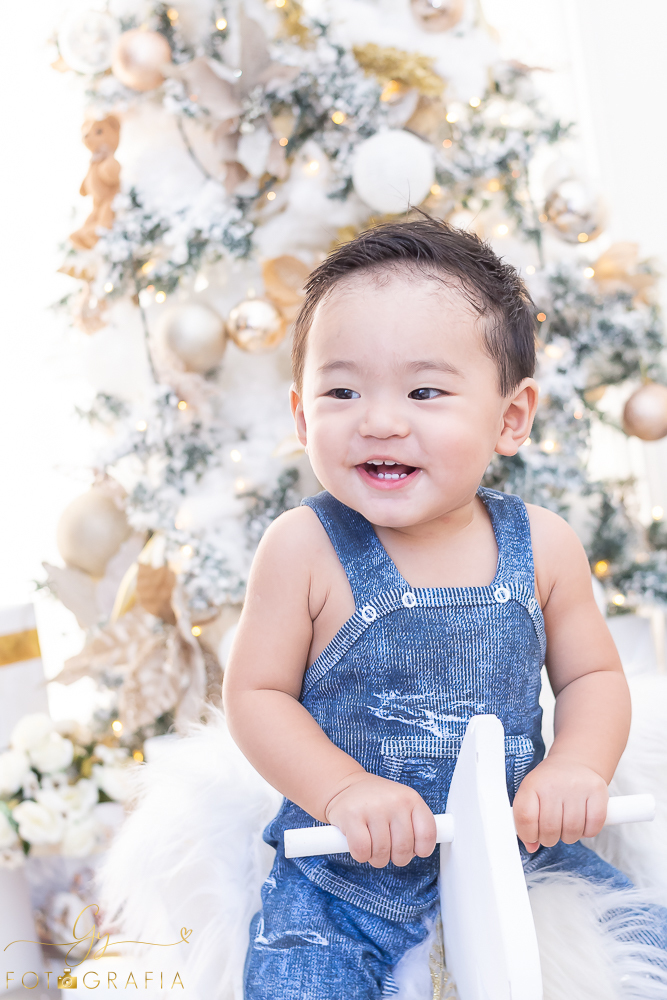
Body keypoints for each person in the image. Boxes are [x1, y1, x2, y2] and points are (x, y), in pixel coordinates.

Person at [222, 219, 665, 998]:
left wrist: (574, 766)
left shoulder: (543, 546)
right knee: (295, 980)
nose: (380, 419)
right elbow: (256, 696)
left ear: (510, 418)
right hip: (345, 877)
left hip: (517, 847)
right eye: (341, 390)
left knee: (642, 951)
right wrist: (342, 790)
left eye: (424, 391)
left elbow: (593, 674)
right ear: (300, 416)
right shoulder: (303, 548)